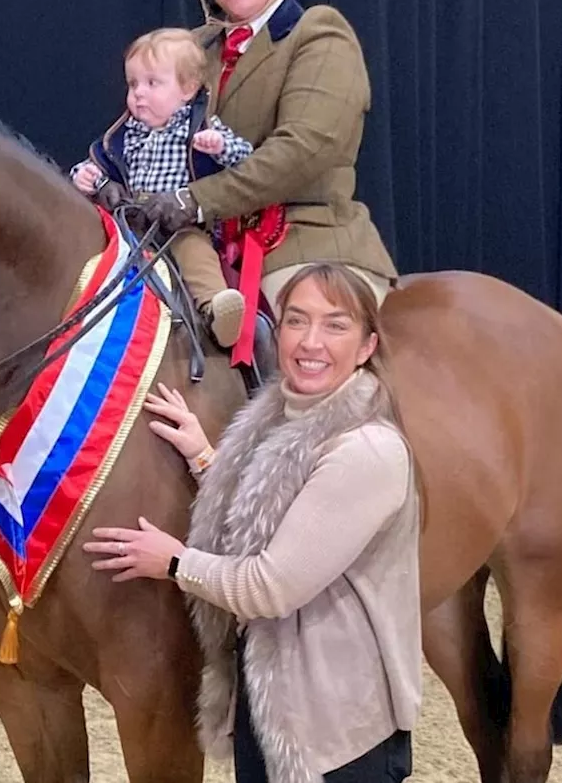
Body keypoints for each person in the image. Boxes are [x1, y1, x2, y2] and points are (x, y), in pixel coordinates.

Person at [83, 262, 422, 783]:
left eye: (335, 325)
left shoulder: (367, 452)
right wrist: (206, 459)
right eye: (296, 321)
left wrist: (173, 561)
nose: (311, 342)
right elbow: (281, 510)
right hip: (275, 704)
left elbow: (270, 587)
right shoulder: (286, 418)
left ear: (367, 346)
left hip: (336, 731)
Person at [135, 0, 398, 341]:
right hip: (197, 249)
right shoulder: (192, 50)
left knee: (303, 347)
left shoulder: (319, 34)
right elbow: (137, 122)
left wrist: (196, 201)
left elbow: (302, 151)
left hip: (301, 243)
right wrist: (104, 179)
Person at [70, 27, 252, 347]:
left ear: (188, 88)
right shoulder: (124, 134)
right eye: (133, 84)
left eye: (152, 83)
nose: (138, 93)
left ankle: (215, 309)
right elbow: (98, 164)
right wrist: (86, 177)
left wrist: (219, 146)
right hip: (129, 226)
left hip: (177, 224)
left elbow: (244, 160)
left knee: (196, 254)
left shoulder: (200, 128)